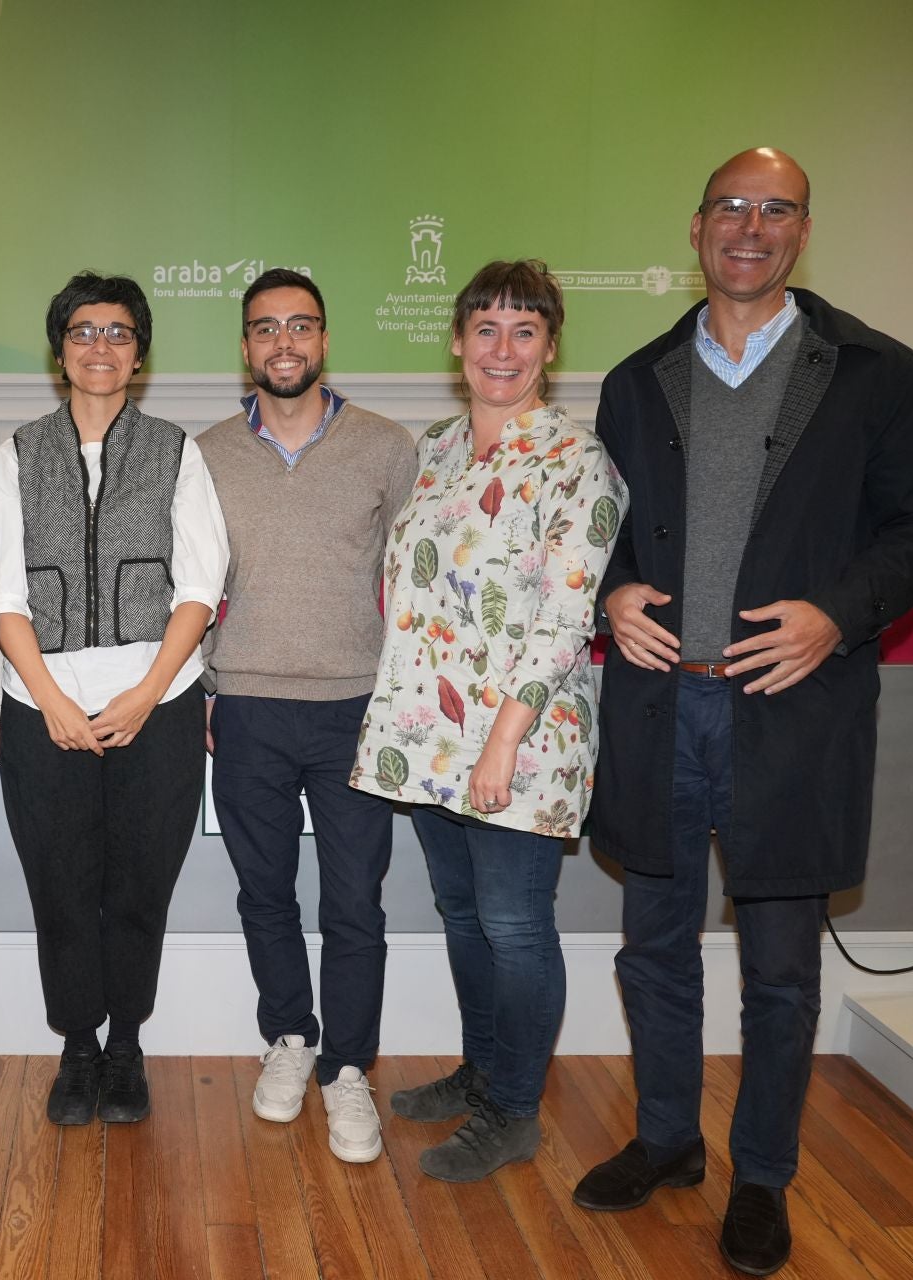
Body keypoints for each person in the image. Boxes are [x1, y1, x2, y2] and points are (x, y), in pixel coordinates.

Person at [573, 148, 913, 1275]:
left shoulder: (877, 374)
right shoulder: (638, 376)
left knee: (781, 966)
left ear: (802, 230)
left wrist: (837, 615)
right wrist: (612, 590)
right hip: (660, 711)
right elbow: (597, 528)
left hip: (790, 713)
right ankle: (665, 1137)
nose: (750, 226)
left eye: (774, 210)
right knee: (654, 950)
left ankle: (761, 1175)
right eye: (731, 208)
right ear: (695, 228)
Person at [351, 259, 626, 1181]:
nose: (501, 350)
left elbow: (564, 616)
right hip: (430, 733)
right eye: (485, 330)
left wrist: (501, 742)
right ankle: (483, 1073)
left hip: (518, 741)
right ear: (458, 343)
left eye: (524, 332)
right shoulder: (431, 449)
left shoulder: (575, 461)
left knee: (514, 925)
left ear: (550, 348)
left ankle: (514, 1110)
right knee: (463, 917)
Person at [0, 271, 227, 1125]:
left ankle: (126, 1045)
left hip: (155, 708)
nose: (100, 346)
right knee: (59, 881)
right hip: (38, 704)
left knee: (139, 882)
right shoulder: (15, 453)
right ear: (60, 352)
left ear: (140, 352)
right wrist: (48, 699)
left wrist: (147, 694)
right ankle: (77, 1047)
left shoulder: (175, 450)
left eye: (118, 332)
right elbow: (2, 594)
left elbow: (201, 587)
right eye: (83, 331)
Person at [198, 268, 417, 1163]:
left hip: (354, 708)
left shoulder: (387, 447)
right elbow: (191, 590)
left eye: (300, 326)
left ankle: (349, 1071)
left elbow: (413, 586)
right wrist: (203, 692)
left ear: (324, 341)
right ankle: (289, 1038)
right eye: (264, 328)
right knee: (265, 893)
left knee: (355, 899)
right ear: (245, 347)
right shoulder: (204, 454)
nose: (283, 342)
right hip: (244, 706)